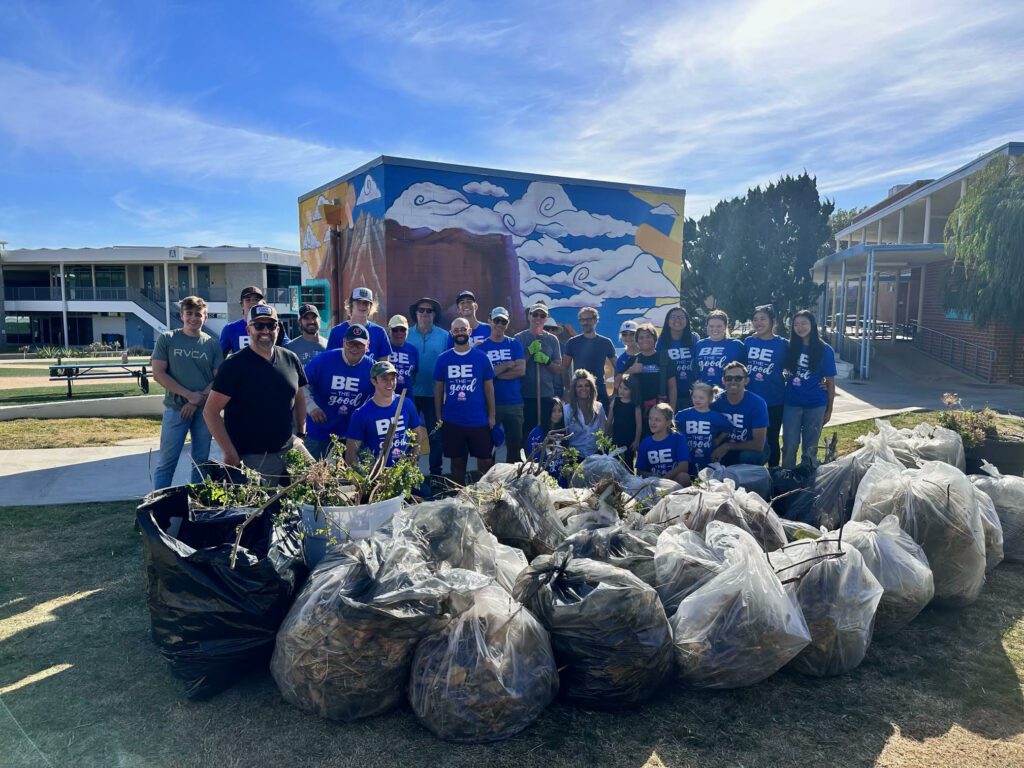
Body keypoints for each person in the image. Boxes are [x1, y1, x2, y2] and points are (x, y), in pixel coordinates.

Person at [204, 304, 309, 483]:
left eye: (271, 325)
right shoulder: (234, 366)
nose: (265, 330)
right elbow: (210, 412)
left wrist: (300, 434)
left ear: (278, 328)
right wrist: (230, 454)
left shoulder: (290, 358)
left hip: (290, 447)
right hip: (253, 456)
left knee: (320, 489)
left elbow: (299, 398)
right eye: (259, 326)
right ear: (248, 329)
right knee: (264, 508)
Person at [151, 296, 223, 490]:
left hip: (204, 412)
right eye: (189, 313)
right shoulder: (168, 339)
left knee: (201, 461)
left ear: (205, 317)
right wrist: (187, 395)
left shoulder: (213, 344)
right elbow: (158, 373)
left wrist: (195, 401)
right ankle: (159, 503)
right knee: (167, 461)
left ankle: (197, 504)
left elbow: (218, 379)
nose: (194, 318)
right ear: (182, 315)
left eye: (198, 314)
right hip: (175, 410)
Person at [434, 317, 497, 485]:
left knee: (485, 461)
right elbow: (438, 389)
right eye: (456, 330)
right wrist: (439, 416)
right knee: (457, 462)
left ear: (469, 332)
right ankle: (459, 496)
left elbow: (489, 388)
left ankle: (485, 495)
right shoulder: (443, 359)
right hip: (453, 420)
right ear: (451, 333)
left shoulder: (482, 358)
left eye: (463, 329)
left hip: (479, 420)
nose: (460, 333)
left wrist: (492, 416)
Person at [303, 323, 375, 459]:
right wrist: (311, 407)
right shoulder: (323, 360)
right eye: (350, 344)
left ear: (367, 345)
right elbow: (300, 384)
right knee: (309, 474)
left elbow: (382, 397)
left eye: (359, 345)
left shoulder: (372, 368)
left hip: (353, 433)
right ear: (343, 342)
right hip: (320, 430)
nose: (354, 349)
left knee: (355, 476)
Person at [345, 360, 428, 468]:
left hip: (404, 475)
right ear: (374, 381)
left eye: (393, 378)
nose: (390, 383)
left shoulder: (406, 403)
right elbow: (351, 454)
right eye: (384, 379)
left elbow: (417, 434)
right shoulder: (361, 414)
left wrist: (413, 460)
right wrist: (363, 480)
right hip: (376, 476)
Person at [782, 310, 837, 469]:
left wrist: (829, 409)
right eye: (796, 324)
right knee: (790, 444)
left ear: (812, 324)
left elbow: (831, 381)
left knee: (810, 448)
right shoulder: (790, 347)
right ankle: (786, 478)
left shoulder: (824, 349)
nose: (800, 327)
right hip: (792, 403)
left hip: (816, 404)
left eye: (804, 323)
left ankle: (807, 480)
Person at [408, 296, 451, 478]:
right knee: (409, 436)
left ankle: (436, 476)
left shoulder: (444, 336)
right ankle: (408, 474)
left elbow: (450, 363)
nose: (425, 313)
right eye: (421, 310)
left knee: (436, 436)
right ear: (416, 314)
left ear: (435, 315)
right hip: (410, 395)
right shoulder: (405, 333)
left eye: (429, 311)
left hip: (435, 395)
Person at [478, 306, 526, 463]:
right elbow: (482, 376)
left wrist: (493, 375)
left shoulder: (515, 344)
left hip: (514, 403)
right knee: (488, 446)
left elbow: (520, 371)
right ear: (490, 321)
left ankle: (511, 479)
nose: (499, 324)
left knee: (514, 445)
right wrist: (506, 365)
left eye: (503, 321)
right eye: (496, 320)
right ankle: (488, 482)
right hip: (491, 404)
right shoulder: (481, 347)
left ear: (507, 323)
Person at [744, 304, 789, 467]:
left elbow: (796, 367)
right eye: (755, 319)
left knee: (772, 439)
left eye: (763, 319)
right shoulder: (748, 341)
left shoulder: (783, 344)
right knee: (750, 440)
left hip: (774, 401)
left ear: (773, 321)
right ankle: (753, 475)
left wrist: (823, 382)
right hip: (750, 401)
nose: (758, 323)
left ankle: (774, 473)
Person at [515, 302, 563, 437]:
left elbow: (558, 369)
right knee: (526, 435)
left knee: (546, 433)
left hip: (546, 395)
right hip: (526, 395)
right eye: (535, 314)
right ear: (529, 316)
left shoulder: (552, 339)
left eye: (542, 315)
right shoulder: (519, 338)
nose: (538, 318)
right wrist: (529, 351)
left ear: (546, 319)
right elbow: (515, 366)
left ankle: (544, 458)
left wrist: (546, 361)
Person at [619, 323, 674, 440]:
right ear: (637, 341)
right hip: (637, 409)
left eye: (648, 336)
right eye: (641, 337)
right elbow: (616, 382)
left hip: (660, 408)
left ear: (655, 338)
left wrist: (671, 412)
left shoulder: (664, 358)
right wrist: (631, 370)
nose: (645, 340)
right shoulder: (634, 359)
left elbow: (673, 387)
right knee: (640, 443)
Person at [709, 361, 770, 466]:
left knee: (748, 456)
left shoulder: (757, 403)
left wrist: (727, 446)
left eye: (738, 378)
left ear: (746, 381)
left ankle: (749, 480)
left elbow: (759, 444)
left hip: (751, 448)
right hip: (725, 444)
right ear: (723, 380)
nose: (733, 381)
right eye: (729, 378)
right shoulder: (715, 401)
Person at [674, 381, 733, 475]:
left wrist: (718, 440)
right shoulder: (682, 415)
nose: (697, 400)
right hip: (687, 456)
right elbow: (674, 429)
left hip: (708, 456)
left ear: (710, 399)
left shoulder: (715, 416)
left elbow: (728, 429)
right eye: (694, 397)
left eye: (701, 398)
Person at [564, 306, 616, 409]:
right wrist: (568, 389)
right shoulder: (572, 342)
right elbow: (564, 368)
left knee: (602, 424)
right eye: (582, 320)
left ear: (596, 320)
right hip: (579, 391)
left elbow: (618, 367)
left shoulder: (606, 342)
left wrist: (615, 392)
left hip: (599, 391)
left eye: (588, 319)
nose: (585, 322)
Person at [326, 287, 393, 361]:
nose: (362, 306)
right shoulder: (337, 331)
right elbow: (330, 360)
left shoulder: (380, 332)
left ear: (370, 307)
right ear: (351, 305)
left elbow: (384, 365)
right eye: (358, 302)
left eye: (365, 303)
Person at [219, 286, 290, 355]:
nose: (252, 302)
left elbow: (289, 347)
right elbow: (219, 356)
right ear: (242, 305)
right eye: (248, 299)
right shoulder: (230, 329)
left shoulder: (273, 326)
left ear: (263, 303)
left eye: (256, 299)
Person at [636, 403, 691, 486]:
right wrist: (654, 477)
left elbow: (684, 466)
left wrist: (664, 479)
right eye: (650, 418)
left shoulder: (678, 438)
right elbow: (640, 472)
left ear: (668, 422)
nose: (652, 422)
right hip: (654, 484)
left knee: (684, 477)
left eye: (657, 420)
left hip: (673, 481)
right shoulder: (645, 443)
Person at [658, 307, 700, 411]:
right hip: (669, 394)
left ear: (687, 320)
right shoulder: (661, 342)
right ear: (667, 321)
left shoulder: (694, 339)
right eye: (673, 317)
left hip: (692, 394)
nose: (677, 320)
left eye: (681, 317)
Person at [562, 369, 607, 459]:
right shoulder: (566, 410)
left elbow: (604, 433)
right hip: (574, 457)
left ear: (591, 388)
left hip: (595, 456)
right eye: (580, 386)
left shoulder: (599, 407)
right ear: (574, 389)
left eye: (587, 386)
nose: (584, 389)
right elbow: (564, 437)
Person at [694, 309, 745, 387]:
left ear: (725, 327)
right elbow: (695, 370)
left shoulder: (737, 345)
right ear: (707, 327)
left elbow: (744, 372)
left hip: (728, 392)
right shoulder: (700, 345)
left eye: (719, 326)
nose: (715, 329)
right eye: (711, 326)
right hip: (704, 394)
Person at [606, 373, 641, 470]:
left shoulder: (635, 405)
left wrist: (637, 441)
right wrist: (606, 435)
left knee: (628, 464)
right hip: (616, 438)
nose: (622, 391)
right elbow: (609, 420)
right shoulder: (615, 402)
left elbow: (639, 425)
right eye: (621, 387)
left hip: (630, 440)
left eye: (626, 389)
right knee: (614, 462)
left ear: (632, 391)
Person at [386, 314, 418, 394]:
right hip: (387, 396)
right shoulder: (383, 348)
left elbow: (413, 376)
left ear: (407, 331)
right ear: (389, 330)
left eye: (402, 330)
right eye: (395, 330)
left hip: (407, 396)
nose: (399, 333)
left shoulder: (413, 350)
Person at [613, 320, 641, 392]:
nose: (628, 337)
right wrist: (631, 370)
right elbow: (616, 384)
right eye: (624, 334)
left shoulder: (646, 353)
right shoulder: (621, 359)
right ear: (621, 337)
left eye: (632, 334)